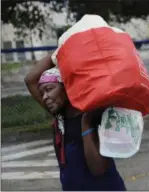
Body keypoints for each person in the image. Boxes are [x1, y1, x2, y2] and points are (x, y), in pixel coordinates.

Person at [24, 54, 126, 191]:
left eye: (49, 89)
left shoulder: (94, 116)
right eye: (42, 93)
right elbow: (30, 80)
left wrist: (86, 125)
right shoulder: (60, 116)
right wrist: (60, 51)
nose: (44, 97)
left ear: (67, 90)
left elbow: (98, 168)